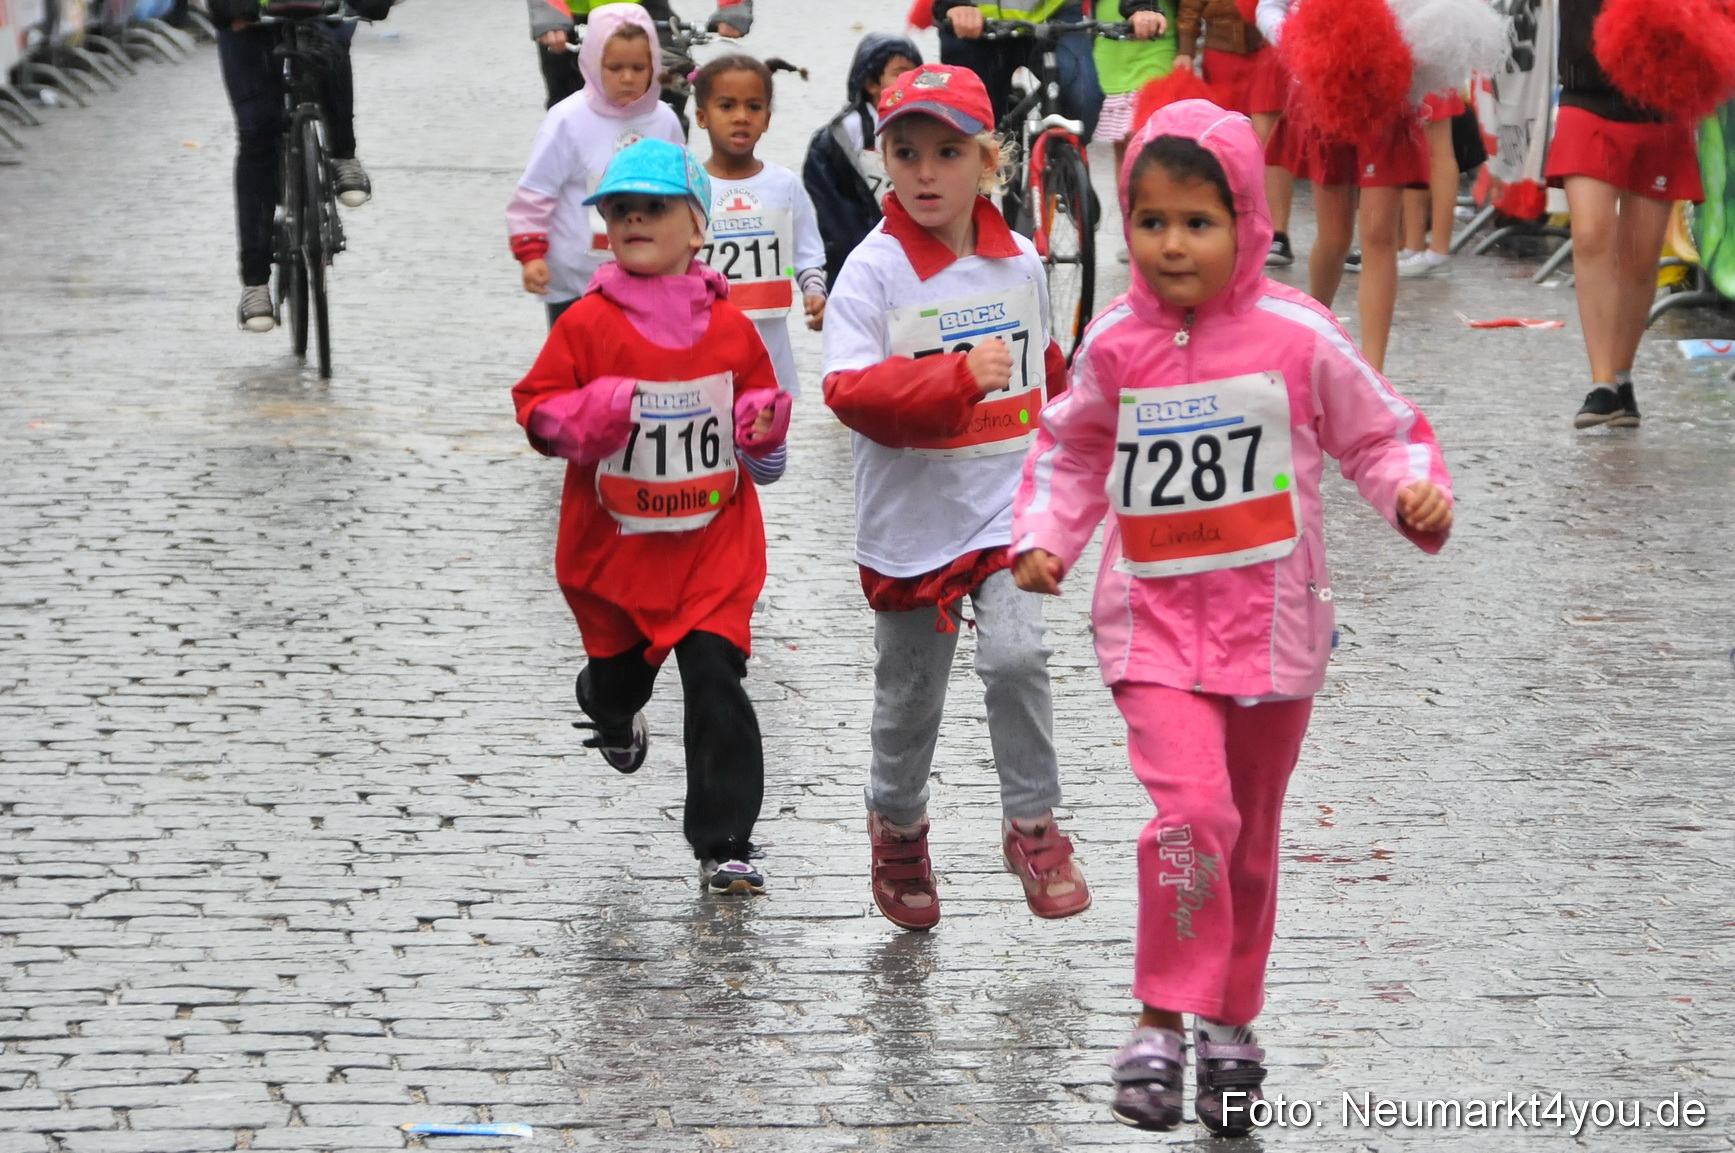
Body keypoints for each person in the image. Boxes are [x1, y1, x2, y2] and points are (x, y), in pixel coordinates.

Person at [1011, 100, 1452, 1136]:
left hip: (1274, 637)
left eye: (1197, 222)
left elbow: (1378, 434)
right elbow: (1069, 452)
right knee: (1191, 819)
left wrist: (1409, 494)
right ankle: (1159, 1017)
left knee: (1245, 846)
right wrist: (1046, 537)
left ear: (1248, 222)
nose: (1172, 244)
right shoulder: (1116, 345)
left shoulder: (1298, 336)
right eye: (1151, 221)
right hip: (1153, 632)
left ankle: (1232, 1026)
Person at [821, 64, 1089, 932]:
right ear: (883, 161)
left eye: (947, 152)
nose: (926, 172)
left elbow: (1046, 380)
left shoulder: (1018, 263)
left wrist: (1077, 470)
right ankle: (897, 826)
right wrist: (949, 382)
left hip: (1002, 510)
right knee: (909, 698)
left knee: (1017, 658)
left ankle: (1033, 821)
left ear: (989, 162)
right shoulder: (873, 270)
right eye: (906, 152)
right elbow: (847, 392)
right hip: (911, 528)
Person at [511, 138, 792, 895]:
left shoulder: (731, 329)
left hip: (710, 547)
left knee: (714, 675)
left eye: (654, 207)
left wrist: (762, 422)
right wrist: (587, 416)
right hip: (617, 556)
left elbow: (758, 416)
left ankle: (724, 841)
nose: (634, 217)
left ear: (697, 227)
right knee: (619, 680)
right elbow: (536, 412)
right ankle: (606, 707)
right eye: (619, 208)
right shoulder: (585, 324)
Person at [1548, 0, 1703, 428]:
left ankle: (1621, 378)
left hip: (1659, 97)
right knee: (1592, 232)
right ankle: (1602, 384)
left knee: (1640, 254)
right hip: (1585, 91)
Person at [1258, 0, 1427, 372]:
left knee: (1379, 231)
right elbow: (1269, 7)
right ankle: (1309, 334)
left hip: (1388, 89)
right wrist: (1298, 41)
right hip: (1322, 87)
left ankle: (1373, 372)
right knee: (1334, 237)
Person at [508, 3, 684, 329]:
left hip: (647, 273)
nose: (627, 78)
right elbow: (536, 191)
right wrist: (531, 253)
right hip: (575, 282)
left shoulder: (665, 121)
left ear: (654, 66)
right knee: (579, 372)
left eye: (638, 67)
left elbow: (683, 193)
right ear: (592, 63)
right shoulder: (566, 120)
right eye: (614, 67)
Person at [209, 0, 375, 333]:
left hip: (320, 9)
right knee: (257, 130)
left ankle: (343, 154)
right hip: (246, 16)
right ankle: (256, 283)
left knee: (331, 46)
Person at [692, 55, 827, 396]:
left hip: (768, 349)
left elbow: (807, 250)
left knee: (769, 443)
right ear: (702, 117)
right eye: (726, 106)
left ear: (767, 119)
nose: (741, 117)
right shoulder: (687, 185)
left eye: (754, 107)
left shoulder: (784, 185)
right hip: (700, 347)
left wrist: (814, 291)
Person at [933, 0, 1162, 143]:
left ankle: (1061, 167)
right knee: (966, 127)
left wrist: (1142, 7)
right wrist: (952, 4)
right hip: (975, 20)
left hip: (1055, 14)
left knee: (1084, 99)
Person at [1172, 0, 1294, 265]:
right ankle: (1229, 225)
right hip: (1221, 46)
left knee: (1270, 140)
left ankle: (1277, 232)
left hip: (1268, 43)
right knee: (1225, 142)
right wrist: (1186, 49)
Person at [802, 33, 923, 290]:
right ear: (871, 84)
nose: (910, 81)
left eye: (916, 74)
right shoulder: (841, 136)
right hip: (858, 252)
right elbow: (834, 215)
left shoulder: (928, 129)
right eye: (900, 73)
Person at [526, 0, 753, 112]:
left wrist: (733, 6)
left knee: (670, 89)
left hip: (644, 8)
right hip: (568, 16)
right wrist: (549, 14)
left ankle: (672, 182)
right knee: (565, 109)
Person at [1094, 0, 1178, 226]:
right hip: (1109, 46)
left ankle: (1160, 222)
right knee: (1124, 147)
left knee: (1152, 145)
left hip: (1157, 41)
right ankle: (1135, 227)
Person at [1397, 87, 1465, 278]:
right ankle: (1413, 246)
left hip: (1432, 63)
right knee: (1412, 147)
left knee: (1438, 148)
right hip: (1413, 64)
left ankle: (1438, 252)